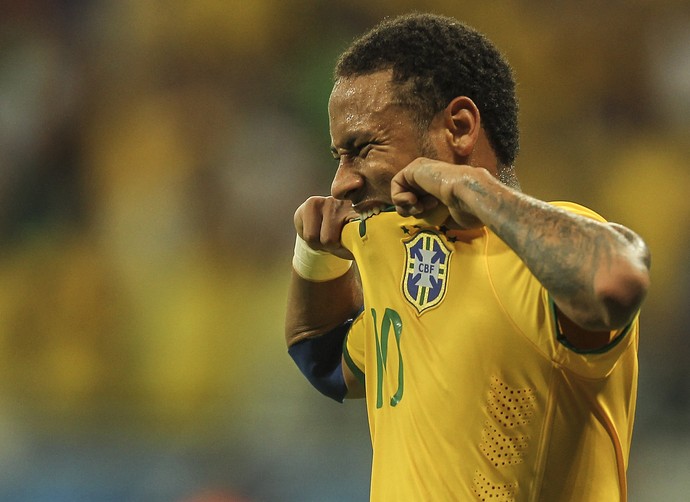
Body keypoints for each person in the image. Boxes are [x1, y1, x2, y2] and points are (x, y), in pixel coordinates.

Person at [284, 12, 650, 502]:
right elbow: (324, 357)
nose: (341, 182)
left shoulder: (542, 259)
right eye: (339, 157)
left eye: (363, 148)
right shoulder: (394, 246)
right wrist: (315, 258)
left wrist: (473, 188)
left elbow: (617, 282)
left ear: (459, 128)